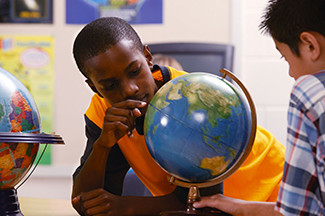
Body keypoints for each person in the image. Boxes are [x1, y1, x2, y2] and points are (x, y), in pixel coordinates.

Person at [70, 16, 285, 215]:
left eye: (135, 71)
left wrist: (123, 206)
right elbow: (85, 201)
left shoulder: (191, 97)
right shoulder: (103, 112)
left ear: (147, 57)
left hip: (274, 196)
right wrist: (102, 145)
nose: (129, 89)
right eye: (110, 85)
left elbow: (198, 202)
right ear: (94, 87)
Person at [193, 0, 325, 215]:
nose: (291, 73)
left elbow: (295, 212)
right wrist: (238, 206)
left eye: (286, 58)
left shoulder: (310, 90)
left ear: (310, 44)